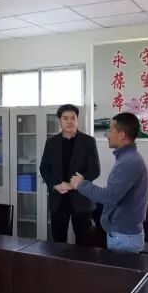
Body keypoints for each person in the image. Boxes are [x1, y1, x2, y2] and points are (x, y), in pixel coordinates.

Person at [70, 112, 148, 254]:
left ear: (121, 134)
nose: (107, 135)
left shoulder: (128, 162)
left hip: (124, 237)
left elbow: (109, 196)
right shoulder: (126, 158)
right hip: (122, 235)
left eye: (110, 130)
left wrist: (81, 184)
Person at [39, 104, 100, 245]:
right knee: (58, 241)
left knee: (84, 242)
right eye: (65, 118)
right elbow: (44, 168)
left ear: (77, 120)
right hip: (58, 199)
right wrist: (55, 184)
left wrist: (76, 184)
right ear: (59, 120)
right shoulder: (51, 142)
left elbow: (95, 170)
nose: (69, 121)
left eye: (73, 118)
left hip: (82, 199)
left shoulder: (88, 141)